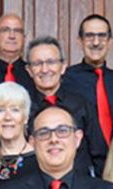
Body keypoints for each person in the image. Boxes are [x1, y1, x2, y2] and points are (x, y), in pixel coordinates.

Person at [26, 36, 105, 175]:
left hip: (80, 183)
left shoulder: (82, 105)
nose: (45, 69)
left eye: (51, 62)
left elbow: (99, 154)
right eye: (37, 63)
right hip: (34, 183)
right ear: (29, 70)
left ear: (63, 67)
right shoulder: (22, 108)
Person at [62, 15, 113, 147]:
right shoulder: (65, 79)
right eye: (89, 36)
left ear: (110, 41)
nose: (96, 42)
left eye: (102, 36)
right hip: (80, 155)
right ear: (80, 41)